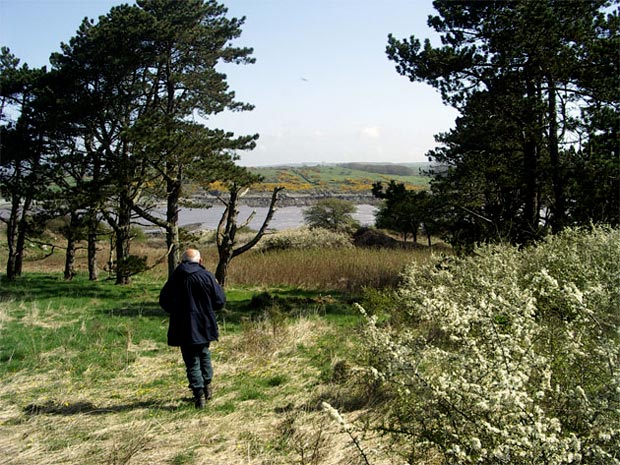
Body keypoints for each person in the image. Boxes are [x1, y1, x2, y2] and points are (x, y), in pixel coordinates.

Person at [159, 248, 225, 408]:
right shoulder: (207, 276)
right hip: (204, 323)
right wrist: (207, 310)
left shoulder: (175, 278)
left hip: (182, 325)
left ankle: (199, 394)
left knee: (192, 361)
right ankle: (207, 386)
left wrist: (176, 312)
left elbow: (164, 301)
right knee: (204, 354)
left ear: (182, 262)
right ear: (200, 261)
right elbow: (220, 301)